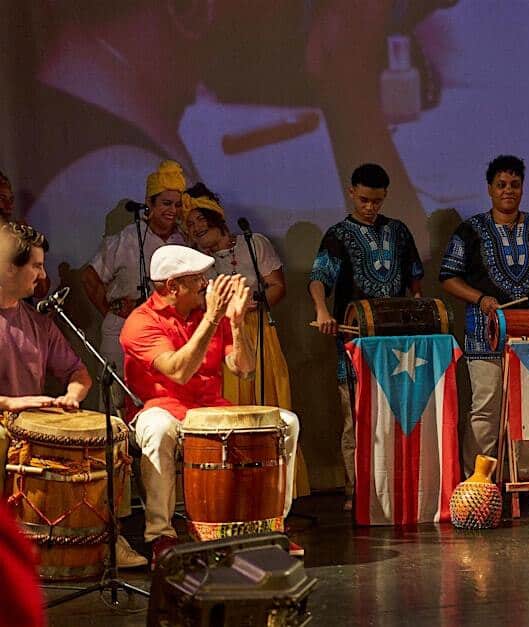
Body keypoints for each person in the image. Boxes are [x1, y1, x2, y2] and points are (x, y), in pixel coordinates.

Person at [120, 245, 302, 562]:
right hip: (160, 408)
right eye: (197, 279)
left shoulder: (208, 314)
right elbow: (178, 371)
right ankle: (160, 535)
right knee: (159, 430)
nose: (206, 284)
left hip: (211, 408)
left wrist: (234, 322)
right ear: (172, 286)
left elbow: (244, 369)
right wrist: (214, 318)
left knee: (286, 423)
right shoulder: (140, 323)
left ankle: (272, 525)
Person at [0, 222, 146, 567]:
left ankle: (110, 540)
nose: (42, 274)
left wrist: (71, 395)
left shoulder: (39, 321)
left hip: (33, 419)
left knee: (114, 432)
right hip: (6, 420)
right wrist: (9, 403)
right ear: (8, 267)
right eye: (35, 265)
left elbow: (78, 372)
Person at [439, 155, 529, 478]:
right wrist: (480, 299)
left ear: (523, 188)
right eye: (501, 185)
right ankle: (478, 481)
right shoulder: (470, 230)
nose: (508, 190)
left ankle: (525, 481)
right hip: (485, 335)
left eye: (514, 184)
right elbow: (448, 276)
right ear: (490, 189)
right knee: (486, 408)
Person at [309, 163, 424, 511]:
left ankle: (396, 485)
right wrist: (322, 311)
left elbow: (414, 276)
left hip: (396, 341)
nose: (370, 207)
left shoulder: (399, 232)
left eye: (376, 201)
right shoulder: (338, 235)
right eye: (363, 200)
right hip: (354, 340)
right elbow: (319, 278)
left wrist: (417, 301)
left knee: (397, 416)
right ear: (351, 192)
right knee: (356, 419)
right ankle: (354, 490)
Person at [183, 182, 309, 498]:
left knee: (268, 399)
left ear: (215, 216)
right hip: (225, 336)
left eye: (200, 219)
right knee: (232, 403)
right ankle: (236, 486)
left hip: (260, 329)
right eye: (190, 224)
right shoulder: (197, 261)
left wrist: (258, 300)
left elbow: (277, 285)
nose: (196, 228)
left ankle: (278, 487)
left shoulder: (253, 245)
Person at [82, 160, 188, 407]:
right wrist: (109, 311)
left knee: (158, 401)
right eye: (165, 203)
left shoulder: (182, 239)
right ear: (149, 204)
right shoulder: (128, 238)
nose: (172, 210)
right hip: (121, 329)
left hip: (165, 332)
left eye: (177, 204)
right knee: (116, 400)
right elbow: (89, 277)